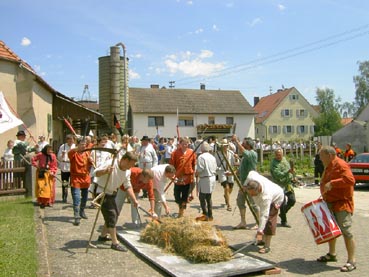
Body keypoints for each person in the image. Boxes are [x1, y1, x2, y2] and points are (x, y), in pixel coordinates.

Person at [317, 145, 357, 272]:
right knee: (331, 230)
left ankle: (352, 261)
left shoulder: (341, 165)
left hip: (342, 203)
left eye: (321, 156)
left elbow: (350, 180)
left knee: (346, 231)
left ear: (329, 155)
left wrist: (333, 183)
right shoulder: (329, 165)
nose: (320, 159)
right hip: (330, 202)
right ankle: (332, 254)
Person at [94, 152, 138, 252]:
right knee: (111, 215)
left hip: (112, 192)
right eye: (130, 164)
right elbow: (95, 173)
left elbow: (128, 186)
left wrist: (134, 199)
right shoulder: (111, 163)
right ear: (125, 160)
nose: (131, 167)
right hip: (101, 191)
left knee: (114, 213)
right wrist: (105, 171)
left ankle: (103, 236)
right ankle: (115, 243)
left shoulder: (127, 171)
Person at [244, 170, 284, 254]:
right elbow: (251, 172)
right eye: (249, 193)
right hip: (270, 192)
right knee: (262, 223)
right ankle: (261, 240)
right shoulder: (252, 177)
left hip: (277, 198)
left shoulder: (265, 197)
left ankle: (267, 246)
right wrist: (244, 185)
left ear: (258, 190)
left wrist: (260, 230)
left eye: (253, 194)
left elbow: (264, 215)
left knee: (269, 220)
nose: (251, 196)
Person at [231, 136, 259, 229]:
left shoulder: (252, 154)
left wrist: (236, 141)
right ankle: (243, 222)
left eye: (244, 143)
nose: (242, 145)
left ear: (248, 145)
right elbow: (241, 168)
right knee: (240, 201)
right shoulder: (244, 156)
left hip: (251, 183)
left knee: (253, 203)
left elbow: (244, 152)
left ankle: (258, 222)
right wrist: (232, 173)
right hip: (243, 184)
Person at [68, 138, 94, 226]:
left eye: (85, 144)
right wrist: (77, 148)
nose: (84, 146)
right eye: (82, 144)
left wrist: (91, 161)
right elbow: (70, 152)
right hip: (76, 178)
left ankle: (82, 211)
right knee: (76, 197)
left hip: (85, 178)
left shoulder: (87, 153)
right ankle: (76, 216)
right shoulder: (73, 153)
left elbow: (89, 165)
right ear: (77, 145)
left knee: (85, 197)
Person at [170, 137, 196, 217]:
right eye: (183, 143)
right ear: (180, 144)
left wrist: (193, 175)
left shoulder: (192, 153)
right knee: (176, 195)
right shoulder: (175, 153)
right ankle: (180, 207)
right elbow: (172, 166)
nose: (185, 145)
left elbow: (194, 164)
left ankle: (181, 212)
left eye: (187, 143)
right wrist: (173, 176)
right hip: (178, 177)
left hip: (188, 177)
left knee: (185, 196)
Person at [270, 148, 296, 228]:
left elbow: (290, 171)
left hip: (288, 185)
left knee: (292, 200)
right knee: (282, 202)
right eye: (277, 155)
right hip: (279, 186)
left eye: (280, 154)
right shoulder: (273, 163)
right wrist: (287, 172)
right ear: (275, 155)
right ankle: (284, 221)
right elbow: (278, 174)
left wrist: (293, 175)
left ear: (282, 154)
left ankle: (283, 213)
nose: (279, 156)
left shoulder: (285, 160)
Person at [195, 142, 217, 221]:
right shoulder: (212, 157)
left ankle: (205, 214)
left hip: (205, 178)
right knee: (209, 197)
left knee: (202, 197)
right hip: (212, 177)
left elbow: (200, 169)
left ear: (202, 149)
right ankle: (210, 215)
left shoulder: (201, 157)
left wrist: (196, 173)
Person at [215, 138, 235, 211]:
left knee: (231, 187)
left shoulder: (231, 153)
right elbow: (215, 164)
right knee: (226, 187)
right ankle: (229, 204)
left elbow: (233, 163)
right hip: (222, 171)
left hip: (230, 171)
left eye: (226, 145)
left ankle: (226, 196)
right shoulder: (217, 154)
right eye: (223, 145)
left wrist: (236, 159)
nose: (225, 147)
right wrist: (218, 169)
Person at [57, 134, 75, 203]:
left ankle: (74, 196)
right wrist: (63, 155)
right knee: (65, 183)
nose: (70, 141)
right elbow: (59, 157)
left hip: (73, 167)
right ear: (67, 140)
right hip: (65, 167)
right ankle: (64, 196)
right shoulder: (63, 146)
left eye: (72, 139)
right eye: (69, 139)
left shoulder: (75, 147)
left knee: (73, 183)